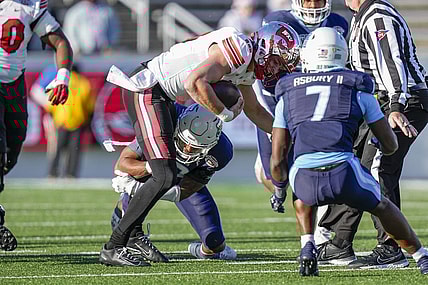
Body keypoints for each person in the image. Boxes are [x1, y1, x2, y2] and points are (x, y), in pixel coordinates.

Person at [101, 21, 301, 266]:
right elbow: (194, 83)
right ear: (265, 48)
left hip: (161, 96)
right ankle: (114, 246)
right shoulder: (239, 48)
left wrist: (287, 135)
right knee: (164, 174)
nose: (276, 69)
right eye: (277, 61)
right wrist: (223, 114)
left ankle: (132, 234)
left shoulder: (245, 64)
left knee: (166, 173)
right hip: (147, 90)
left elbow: (255, 110)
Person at [270, 27, 428, 276]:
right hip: (344, 173)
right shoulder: (358, 89)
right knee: (383, 207)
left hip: (304, 175)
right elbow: (390, 145)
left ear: (308, 55)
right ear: (342, 55)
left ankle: (307, 244)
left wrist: (279, 190)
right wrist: (377, 144)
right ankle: (420, 256)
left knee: (301, 192)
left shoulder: (287, 94)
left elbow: (278, 157)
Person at [315, 0, 428, 269]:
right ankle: (339, 245)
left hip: (401, 102)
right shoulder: (361, 15)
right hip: (379, 104)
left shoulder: (377, 15)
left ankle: (390, 247)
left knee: (378, 169)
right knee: (354, 169)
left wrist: (396, 106)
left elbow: (392, 62)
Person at [252, 0, 348, 223]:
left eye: (319, 0)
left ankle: (318, 231)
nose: (313, 5)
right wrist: (272, 122)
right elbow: (262, 76)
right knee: (274, 175)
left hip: (318, 107)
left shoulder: (339, 24)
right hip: (281, 102)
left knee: (314, 171)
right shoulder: (278, 22)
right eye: (308, 0)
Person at [106, 103, 237, 264]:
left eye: (195, 148)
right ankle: (124, 215)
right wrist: (151, 169)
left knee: (215, 244)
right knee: (141, 175)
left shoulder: (220, 152)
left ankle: (200, 250)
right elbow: (123, 163)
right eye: (184, 142)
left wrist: (137, 188)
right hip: (152, 172)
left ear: (209, 145)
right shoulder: (164, 120)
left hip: (183, 180)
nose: (188, 149)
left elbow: (186, 190)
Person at [0, 1, 73, 187]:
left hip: (14, 84)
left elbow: (61, 42)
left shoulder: (29, 6)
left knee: (12, 148)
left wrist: (63, 77)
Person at [30, 64, 95, 178]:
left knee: (57, 149)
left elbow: (51, 102)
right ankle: (71, 173)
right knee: (74, 150)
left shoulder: (61, 84)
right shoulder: (84, 83)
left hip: (61, 121)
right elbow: (89, 105)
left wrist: (53, 114)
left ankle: (53, 172)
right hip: (78, 121)